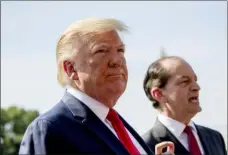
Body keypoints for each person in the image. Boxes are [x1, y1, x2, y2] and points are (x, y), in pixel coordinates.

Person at [19, 18, 174, 155]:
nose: (117, 60)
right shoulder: (50, 129)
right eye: (101, 51)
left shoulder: (116, 124)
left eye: (120, 50)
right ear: (71, 69)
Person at [142, 56, 227, 155]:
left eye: (195, 80)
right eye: (185, 82)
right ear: (159, 94)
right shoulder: (143, 147)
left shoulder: (215, 138)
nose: (196, 87)